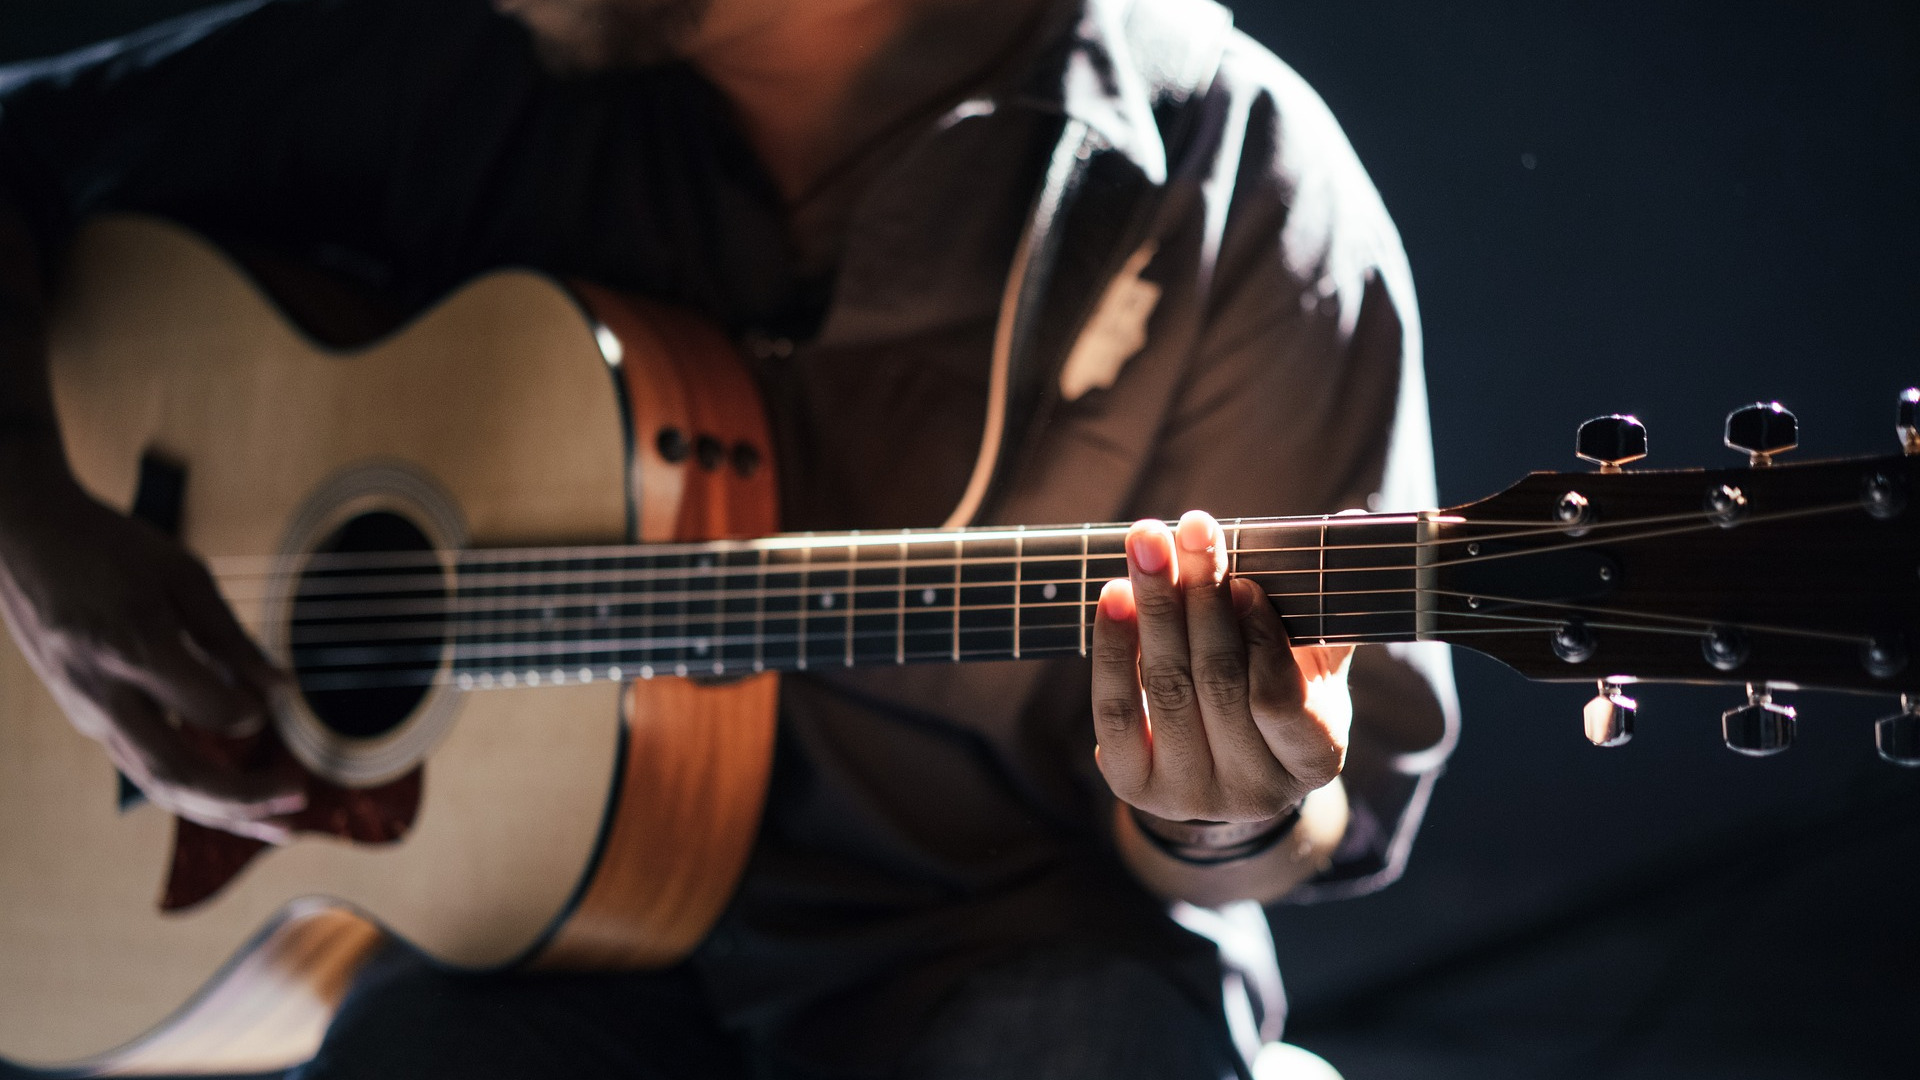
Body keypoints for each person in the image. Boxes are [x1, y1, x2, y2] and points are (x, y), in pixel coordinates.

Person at [0, 0, 1458, 1076]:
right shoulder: (465, 62)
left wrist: (1224, 803)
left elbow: (1304, 823)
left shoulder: (1234, 178)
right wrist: (34, 520)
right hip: (531, 960)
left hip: (1008, 948)